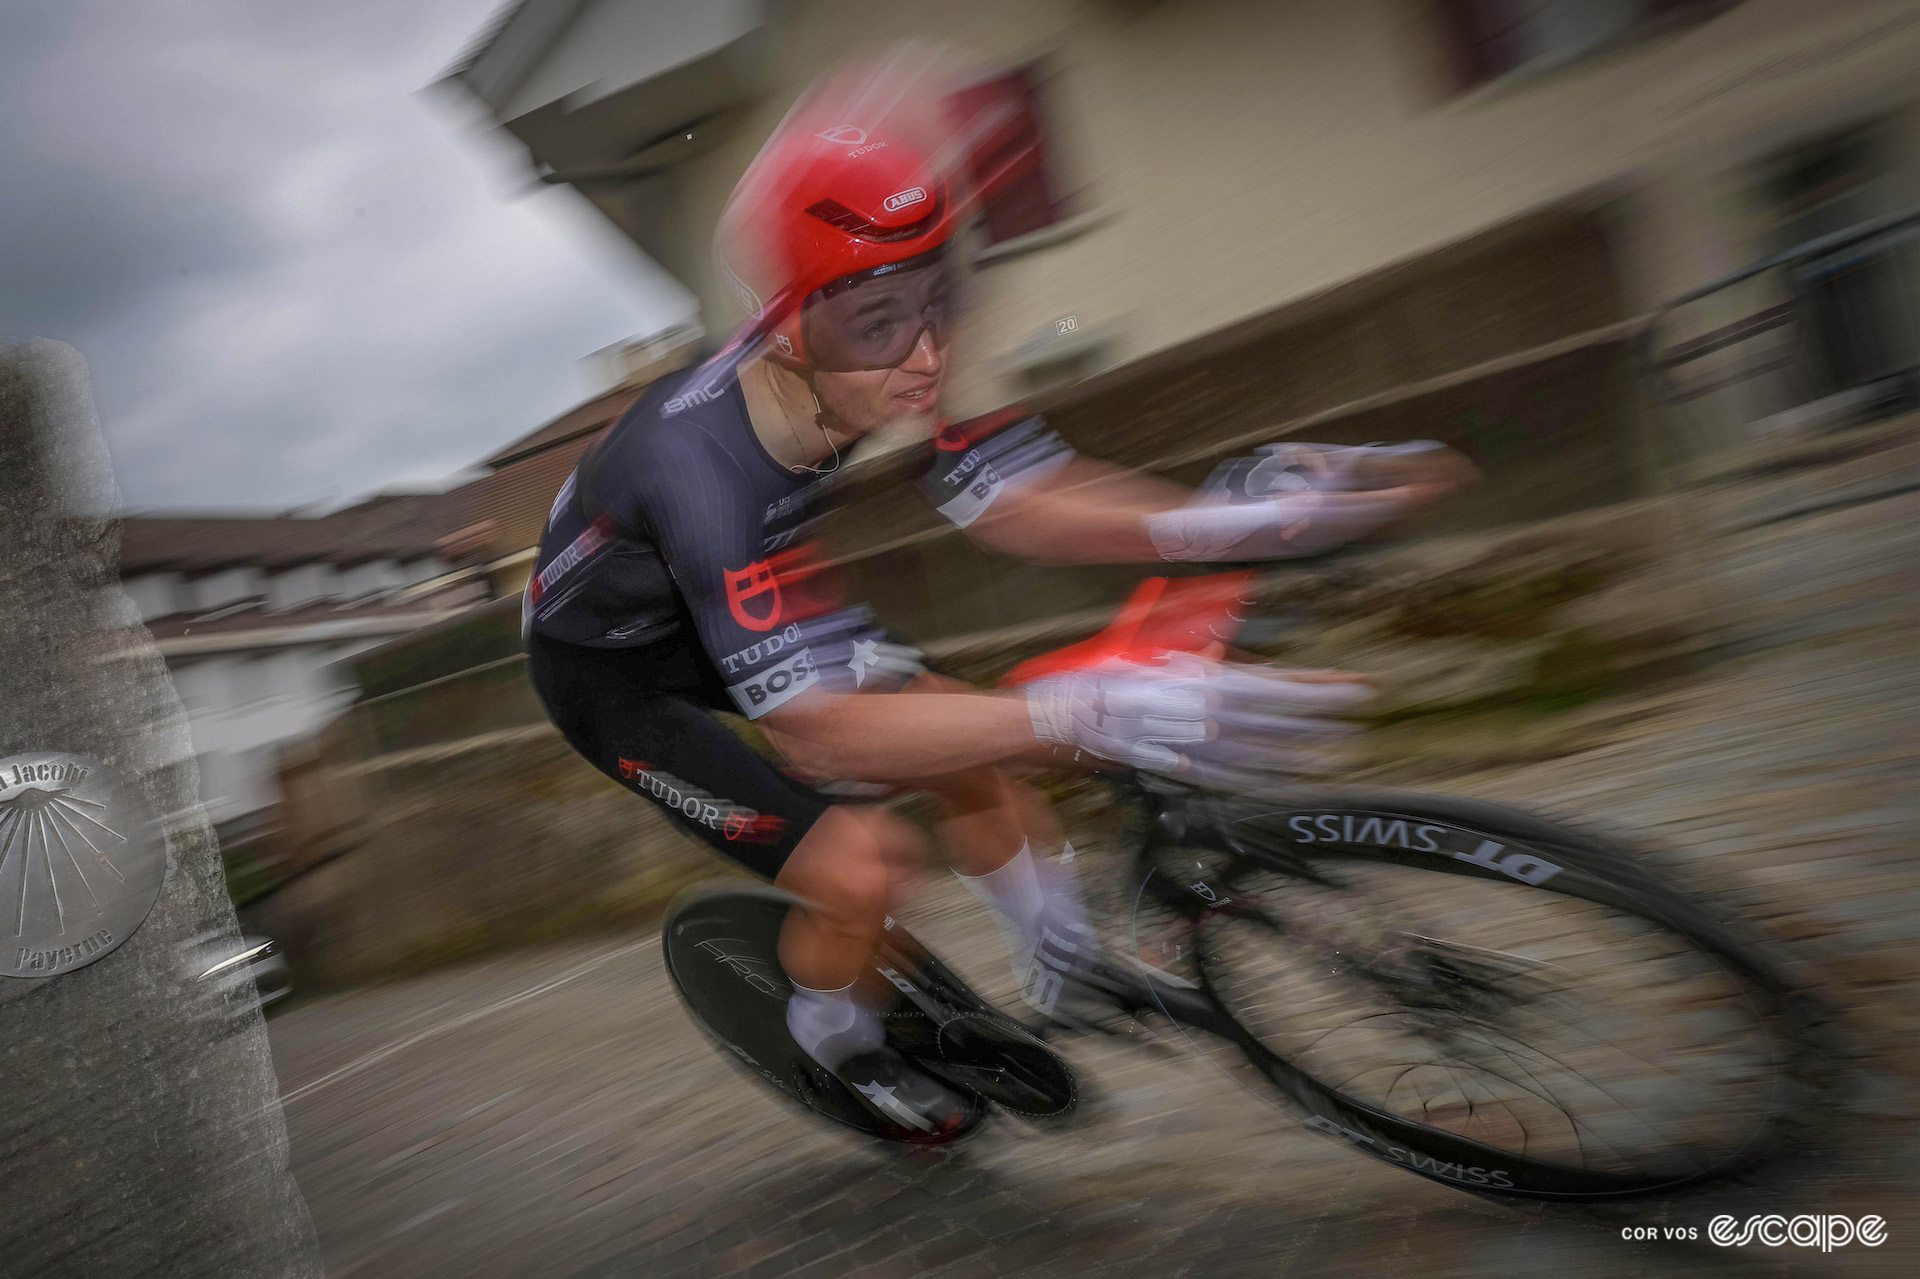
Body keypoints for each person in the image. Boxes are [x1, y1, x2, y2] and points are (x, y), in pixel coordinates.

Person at [523, 48, 1476, 1134]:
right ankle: (833, 1041)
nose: (929, 352)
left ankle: (1063, 973)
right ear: (792, 328)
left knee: (968, 745)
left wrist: (1232, 518)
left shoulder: (880, 332)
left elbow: (1016, 499)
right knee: (865, 864)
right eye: (885, 320)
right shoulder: (697, 466)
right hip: (613, 671)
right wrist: (1088, 711)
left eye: (941, 291)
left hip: (739, 597)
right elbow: (821, 738)